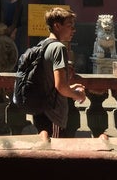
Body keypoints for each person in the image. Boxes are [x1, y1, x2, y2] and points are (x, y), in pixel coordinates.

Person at [32, 7, 86, 137]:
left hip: (41, 111)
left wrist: (70, 88)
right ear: (57, 26)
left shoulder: (43, 45)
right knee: (55, 150)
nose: (73, 30)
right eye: (69, 25)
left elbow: (51, 83)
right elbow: (60, 86)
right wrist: (77, 95)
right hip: (53, 114)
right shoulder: (58, 48)